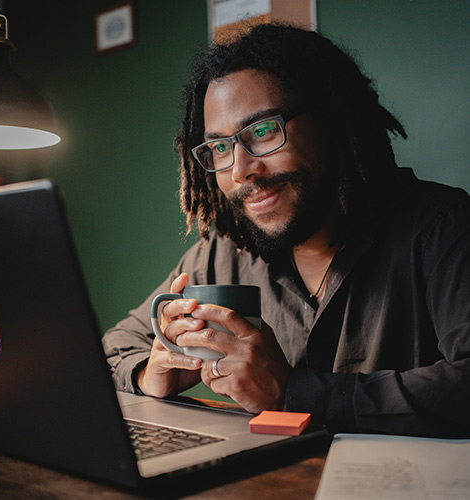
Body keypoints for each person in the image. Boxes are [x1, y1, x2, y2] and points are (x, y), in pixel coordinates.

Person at [103, 23, 470, 438]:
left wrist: (294, 394)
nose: (241, 170)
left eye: (262, 131)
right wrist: (151, 373)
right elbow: (113, 346)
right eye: (220, 147)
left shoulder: (442, 228)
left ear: (332, 119)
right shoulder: (222, 255)